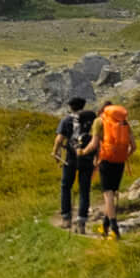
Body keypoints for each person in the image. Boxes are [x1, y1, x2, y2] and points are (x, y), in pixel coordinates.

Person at [89, 101, 135, 238]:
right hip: (120, 161)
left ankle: (114, 229)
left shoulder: (99, 121)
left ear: (102, 110)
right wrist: (124, 156)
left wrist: (82, 152)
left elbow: (94, 144)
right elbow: (134, 146)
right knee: (112, 194)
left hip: (105, 160)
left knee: (107, 194)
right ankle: (105, 226)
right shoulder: (124, 123)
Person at [53, 95, 94, 231]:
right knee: (84, 189)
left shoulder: (66, 120)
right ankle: (82, 222)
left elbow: (59, 139)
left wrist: (56, 152)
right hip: (87, 157)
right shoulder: (91, 119)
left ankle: (66, 218)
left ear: (70, 107)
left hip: (71, 158)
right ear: (83, 106)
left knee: (66, 186)